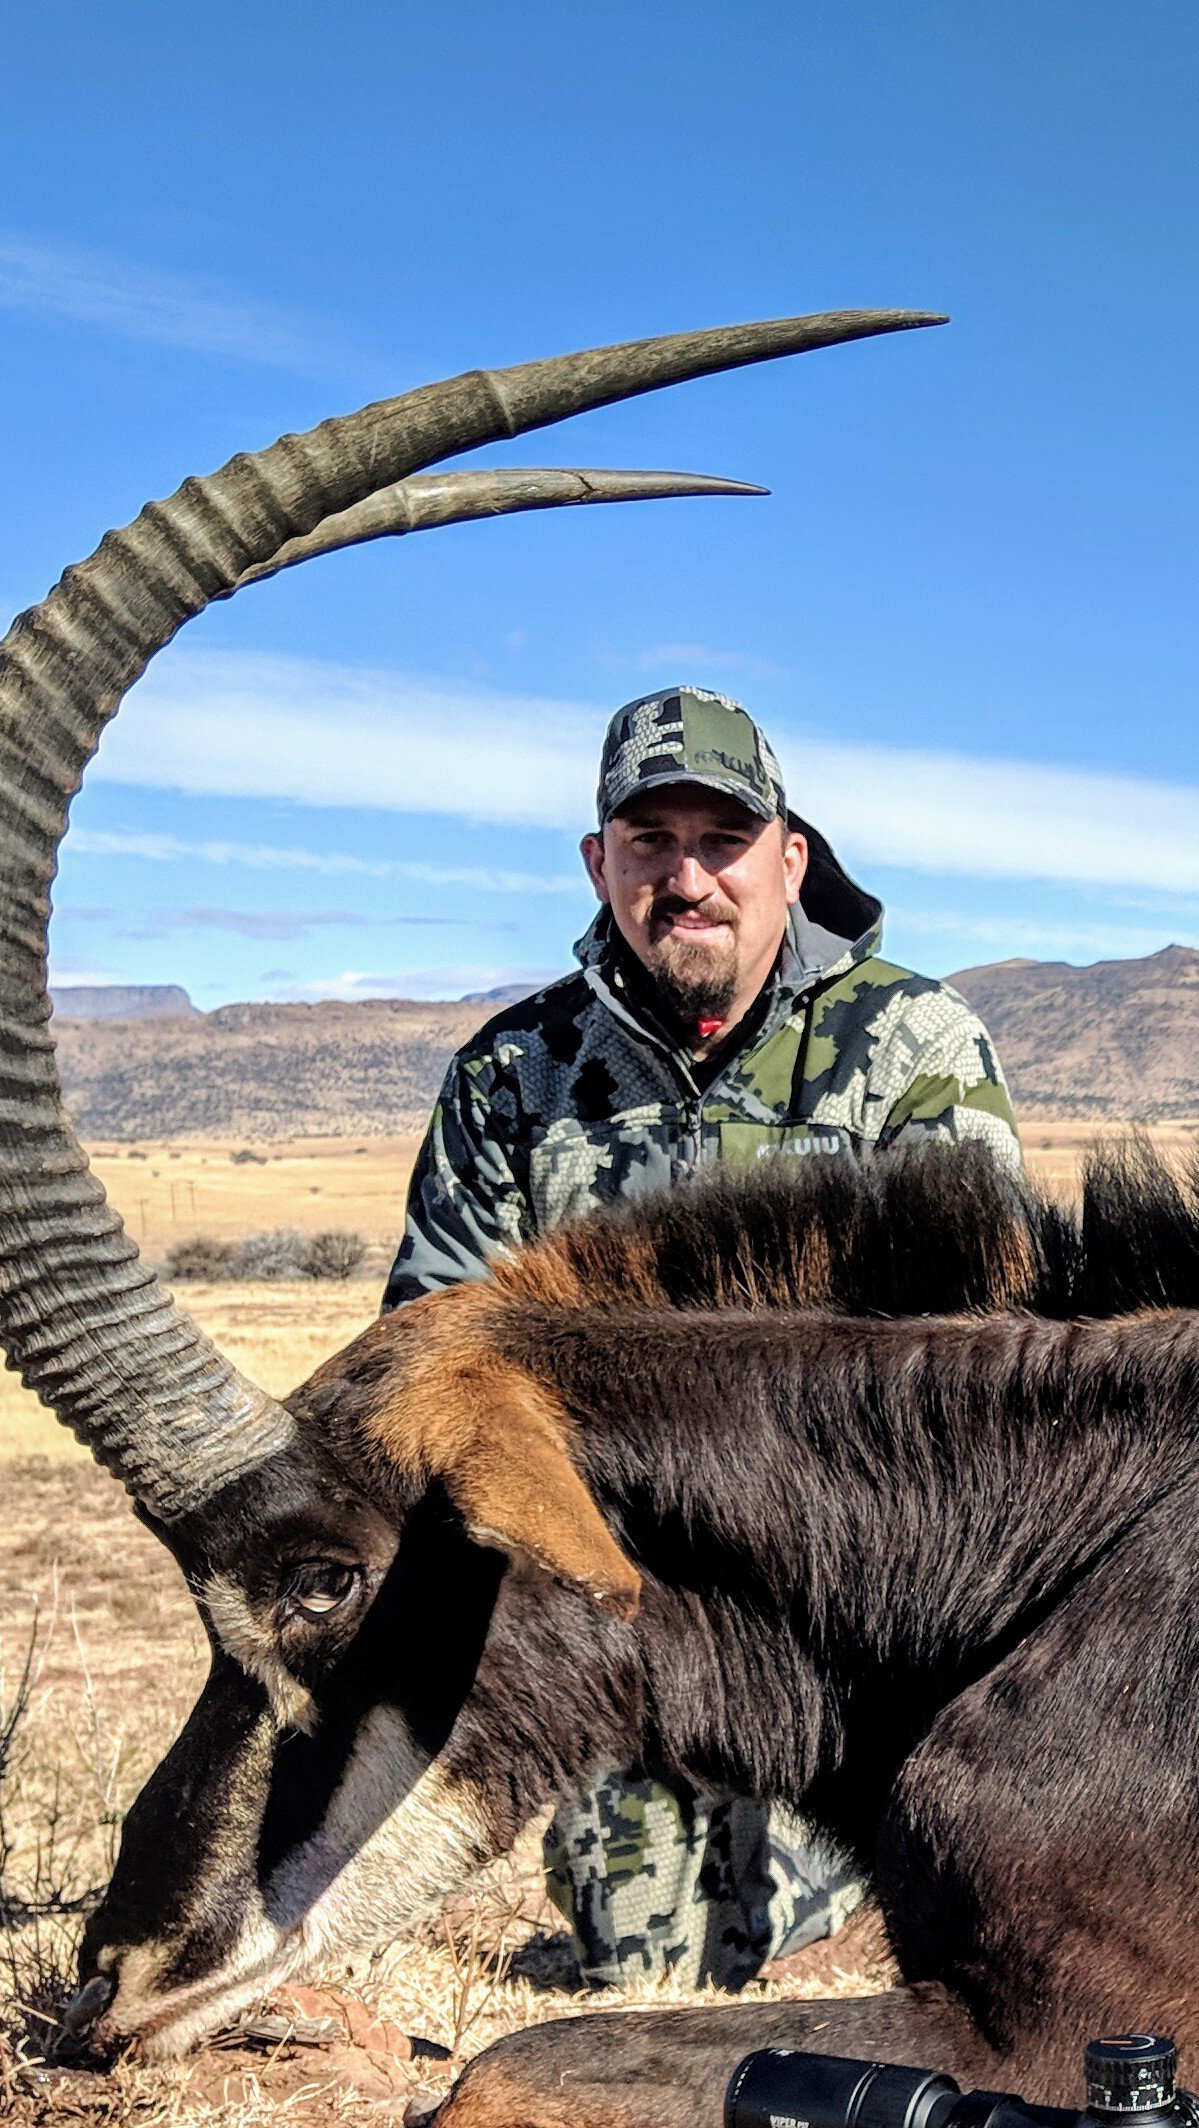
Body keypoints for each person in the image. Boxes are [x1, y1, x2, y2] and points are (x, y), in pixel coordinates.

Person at [384, 684, 1021, 1990]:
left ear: (789, 858)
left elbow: (986, 1370)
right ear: (598, 863)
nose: (688, 878)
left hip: (845, 1594)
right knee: (646, 1949)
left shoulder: (914, 1045)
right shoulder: (515, 1075)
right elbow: (427, 1357)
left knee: (794, 1910)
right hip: (612, 1597)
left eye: (721, 841)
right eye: (650, 842)